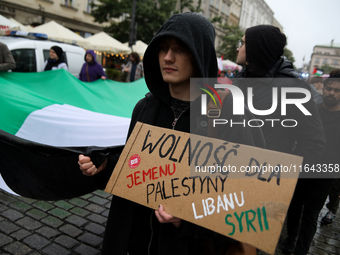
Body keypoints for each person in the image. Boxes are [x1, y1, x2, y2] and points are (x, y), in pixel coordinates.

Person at [79, 12, 264, 255]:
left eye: (180, 49)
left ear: (200, 55)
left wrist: (186, 218)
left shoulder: (229, 117)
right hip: (136, 242)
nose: (168, 57)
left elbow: (245, 200)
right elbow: (135, 166)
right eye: (163, 48)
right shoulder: (144, 108)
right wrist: (106, 165)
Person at [233, 25, 326, 255]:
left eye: (243, 42)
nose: (239, 46)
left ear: (256, 49)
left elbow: (315, 144)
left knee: (256, 247)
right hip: (233, 182)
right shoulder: (240, 80)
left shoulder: (293, 87)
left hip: (267, 189)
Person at [319, 71, 340, 226]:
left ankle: (332, 209)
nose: (332, 93)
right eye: (330, 89)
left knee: (335, 188)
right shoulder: (317, 108)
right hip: (318, 159)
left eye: (337, 90)